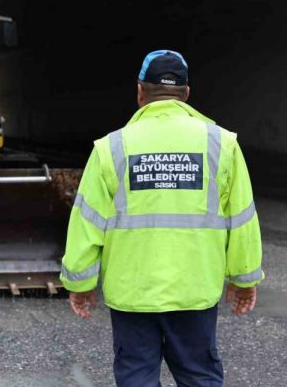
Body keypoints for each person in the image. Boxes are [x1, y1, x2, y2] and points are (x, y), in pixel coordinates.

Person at [61, 50, 263, 386]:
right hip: (194, 291)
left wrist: (79, 284)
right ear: (186, 94)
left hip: (133, 293)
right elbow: (242, 221)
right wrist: (244, 280)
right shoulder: (222, 145)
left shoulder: (111, 148)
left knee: (136, 378)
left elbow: (87, 222)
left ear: (140, 92)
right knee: (199, 376)